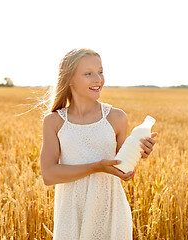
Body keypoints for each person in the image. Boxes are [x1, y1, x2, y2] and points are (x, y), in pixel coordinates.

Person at [40, 48, 157, 240]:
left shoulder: (116, 117)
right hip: (72, 212)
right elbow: (49, 175)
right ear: (69, 79)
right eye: (88, 74)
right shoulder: (54, 121)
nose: (98, 79)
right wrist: (96, 167)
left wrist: (140, 151)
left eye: (100, 72)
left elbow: (121, 167)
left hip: (110, 209)